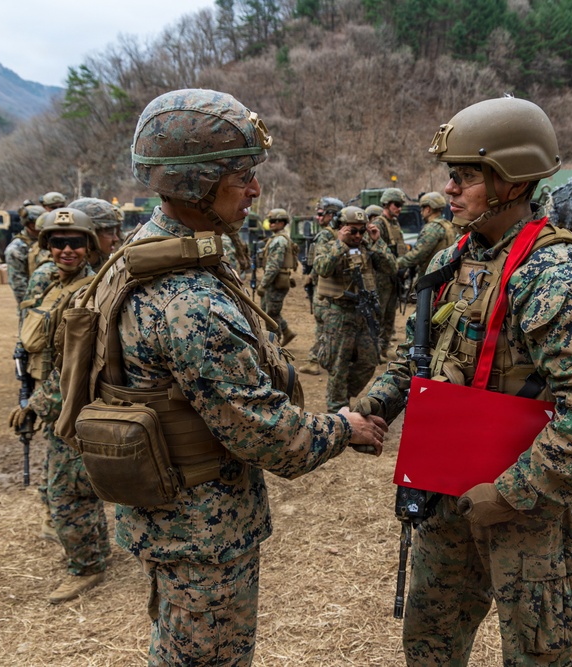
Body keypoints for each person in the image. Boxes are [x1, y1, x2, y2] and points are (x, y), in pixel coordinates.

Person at [100, 88, 386, 665]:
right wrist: (344, 426)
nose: (255, 190)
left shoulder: (148, 251)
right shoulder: (188, 299)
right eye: (242, 176)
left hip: (168, 514)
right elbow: (266, 435)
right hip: (201, 529)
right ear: (195, 184)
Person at [358, 97, 572, 666]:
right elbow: (420, 355)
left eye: (466, 176)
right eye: (451, 175)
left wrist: (513, 492)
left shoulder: (553, 275)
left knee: (537, 654)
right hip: (445, 491)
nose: (450, 189)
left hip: (522, 509)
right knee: (429, 644)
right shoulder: (458, 258)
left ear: (513, 181)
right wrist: (374, 404)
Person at [10, 207, 110, 603]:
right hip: (50, 397)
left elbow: (75, 365)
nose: (66, 250)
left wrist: (35, 405)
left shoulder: (90, 292)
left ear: (89, 246)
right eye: (57, 243)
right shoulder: (48, 283)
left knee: (68, 492)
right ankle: (94, 553)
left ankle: (86, 566)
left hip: (71, 403)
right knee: (67, 485)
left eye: (75, 243)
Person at [314, 205, 396, 412]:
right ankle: (337, 410)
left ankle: (342, 395)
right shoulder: (328, 242)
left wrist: (377, 241)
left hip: (363, 313)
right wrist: (340, 243)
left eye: (362, 230)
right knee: (339, 365)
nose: (358, 235)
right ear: (341, 227)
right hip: (339, 313)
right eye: (353, 231)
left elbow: (391, 267)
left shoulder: (367, 246)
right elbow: (322, 268)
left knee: (369, 362)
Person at [297, 197, 343, 376]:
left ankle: (314, 360)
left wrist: (311, 277)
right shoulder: (338, 233)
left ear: (331, 215)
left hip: (324, 287)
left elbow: (320, 262)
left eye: (321, 214)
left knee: (324, 324)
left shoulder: (326, 235)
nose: (318, 218)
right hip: (334, 287)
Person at [256, 208, 299, 346]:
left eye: (274, 221)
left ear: (282, 223)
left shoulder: (279, 241)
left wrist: (263, 285)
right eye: (270, 221)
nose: (271, 223)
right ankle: (287, 332)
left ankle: (274, 344)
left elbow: (273, 266)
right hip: (277, 280)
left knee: (271, 314)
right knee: (270, 310)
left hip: (276, 281)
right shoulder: (278, 238)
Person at [374, 187, 409, 358]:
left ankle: (384, 345)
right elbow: (376, 250)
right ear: (386, 204)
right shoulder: (379, 224)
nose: (399, 208)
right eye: (396, 204)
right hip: (381, 276)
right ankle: (374, 348)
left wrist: (402, 268)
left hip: (394, 276)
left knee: (390, 313)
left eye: (401, 205)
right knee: (378, 313)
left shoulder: (395, 223)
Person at [395, 191, 456, 281]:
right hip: (445, 275)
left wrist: (396, 263)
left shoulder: (432, 228)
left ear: (428, 209)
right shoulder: (448, 225)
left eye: (422, 209)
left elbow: (417, 255)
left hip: (431, 278)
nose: (421, 212)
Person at [5, 203, 46, 308]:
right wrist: (30, 306)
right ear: (32, 225)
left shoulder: (48, 241)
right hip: (34, 304)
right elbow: (18, 285)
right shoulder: (16, 249)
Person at [68, 197, 123, 271]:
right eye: (110, 233)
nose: (116, 239)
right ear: (90, 236)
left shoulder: (113, 267)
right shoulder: (60, 273)